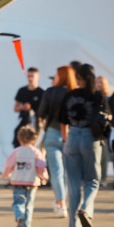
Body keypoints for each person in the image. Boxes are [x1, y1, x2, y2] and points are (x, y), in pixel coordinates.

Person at [59, 63, 110, 227]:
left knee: (73, 184)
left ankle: (73, 226)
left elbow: (63, 121)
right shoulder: (97, 96)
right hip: (91, 138)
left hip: (72, 136)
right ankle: (85, 210)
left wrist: (67, 140)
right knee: (92, 180)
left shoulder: (70, 95)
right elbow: (107, 117)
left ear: (78, 77)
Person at [38, 65, 76, 217]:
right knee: (68, 172)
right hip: (72, 134)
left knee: (56, 171)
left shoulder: (50, 91)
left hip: (53, 132)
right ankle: (66, 202)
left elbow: (41, 112)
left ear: (60, 76)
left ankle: (61, 203)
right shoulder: (74, 93)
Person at [2, 125, 48, 227]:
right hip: (32, 182)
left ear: (19, 138)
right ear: (34, 138)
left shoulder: (16, 151)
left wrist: (6, 175)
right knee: (29, 205)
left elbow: (9, 165)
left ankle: (19, 216)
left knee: (18, 203)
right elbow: (41, 166)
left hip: (18, 182)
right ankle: (26, 226)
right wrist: (44, 176)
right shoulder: (36, 152)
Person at [12, 67, 44, 147]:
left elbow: (45, 111)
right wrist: (22, 107)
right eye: (28, 76)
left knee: (35, 145)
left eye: (32, 76)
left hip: (36, 124)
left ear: (38, 76)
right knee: (19, 143)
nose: (30, 78)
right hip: (24, 122)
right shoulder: (22, 90)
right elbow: (15, 108)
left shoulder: (42, 92)